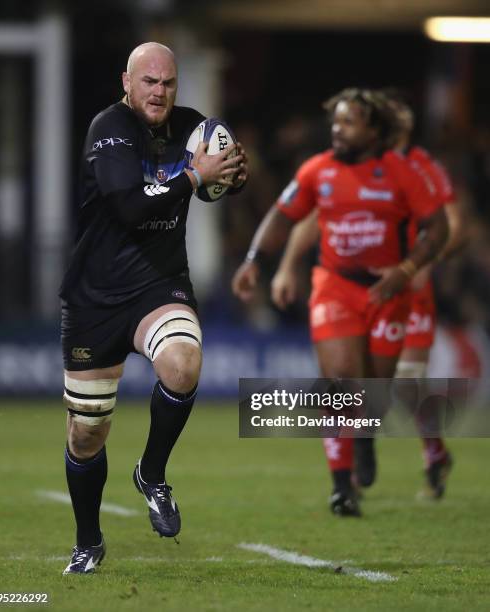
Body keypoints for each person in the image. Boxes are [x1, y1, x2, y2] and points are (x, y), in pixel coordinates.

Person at [59, 42, 248, 574]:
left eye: (168, 82)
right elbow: (127, 206)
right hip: (95, 296)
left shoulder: (193, 128)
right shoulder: (109, 129)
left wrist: (235, 173)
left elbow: (226, 176)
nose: (159, 91)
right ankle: (88, 540)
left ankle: (152, 473)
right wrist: (195, 177)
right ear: (127, 82)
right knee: (87, 431)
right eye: (149, 81)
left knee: (183, 363)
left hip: (158, 285)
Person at [232, 88, 447, 516]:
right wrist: (256, 260)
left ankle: (364, 436)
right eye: (336, 121)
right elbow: (282, 216)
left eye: (348, 122)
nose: (337, 129)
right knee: (340, 384)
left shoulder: (401, 173)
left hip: (387, 291)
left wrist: (405, 270)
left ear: (373, 130)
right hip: (334, 287)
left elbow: (437, 228)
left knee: (375, 393)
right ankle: (340, 486)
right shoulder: (318, 171)